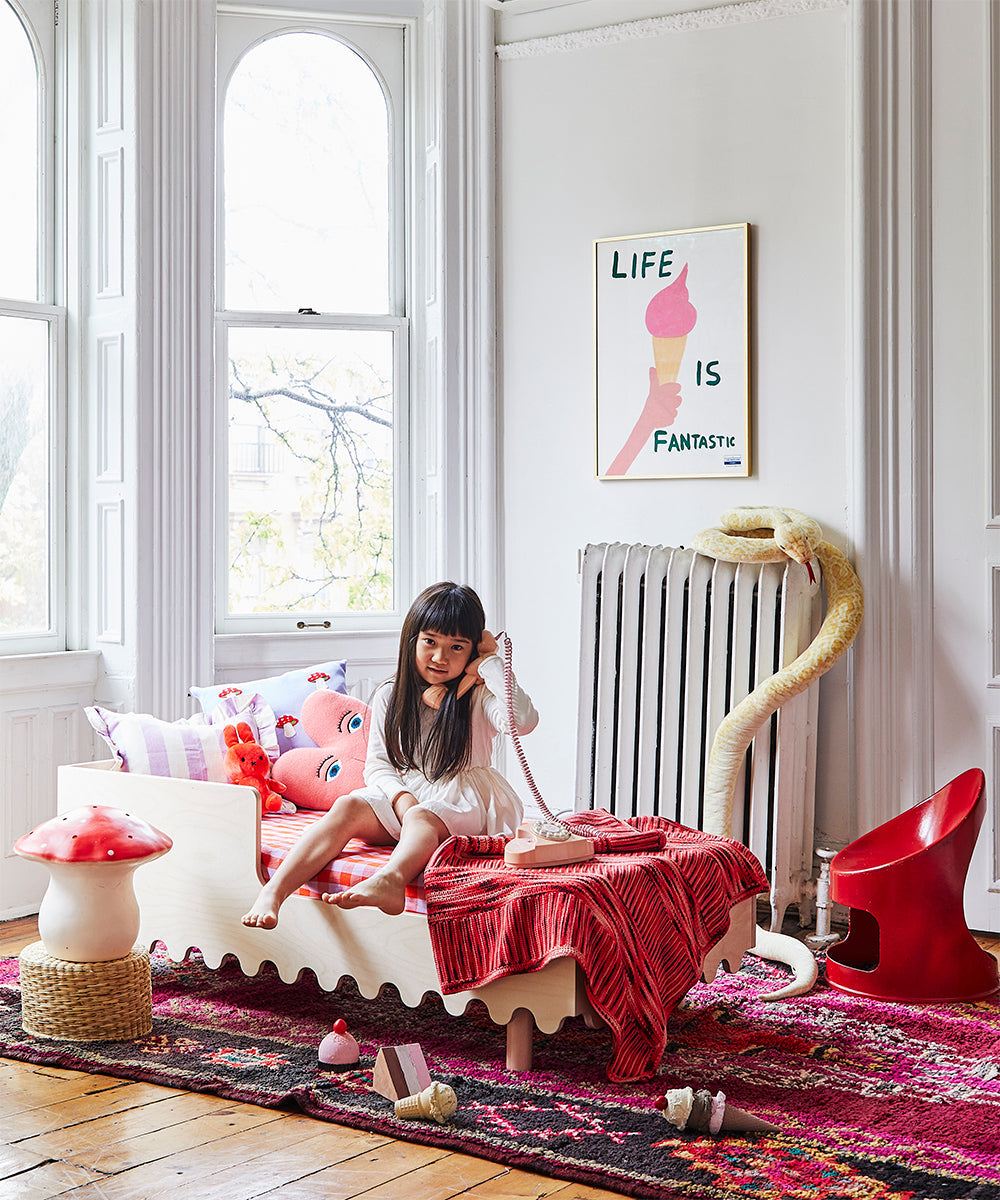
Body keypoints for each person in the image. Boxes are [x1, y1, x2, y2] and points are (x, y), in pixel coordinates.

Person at [241, 581, 537, 926]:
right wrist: (401, 799)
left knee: (423, 817)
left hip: (463, 799)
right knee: (348, 806)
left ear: (474, 651)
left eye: (457, 647)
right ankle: (273, 892)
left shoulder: (480, 697)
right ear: (412, 639)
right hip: (408, 793)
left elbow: (524, 721)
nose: (440, 658)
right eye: (430, 642)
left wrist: (490, 664)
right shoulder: (391, 694)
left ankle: (391, 879)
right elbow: (379, 765)